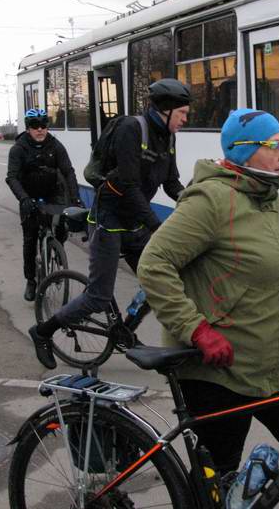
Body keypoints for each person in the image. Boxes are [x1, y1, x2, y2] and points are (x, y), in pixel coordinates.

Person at [136, 108, 279, 509]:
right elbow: (154, 264)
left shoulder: (271, 199)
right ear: (246, 151)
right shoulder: (210, 201)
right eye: (277, 146)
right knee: (218, 483)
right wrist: (198, 330)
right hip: (219, 370)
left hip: (271, 359)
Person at [29, 78, 191, 368]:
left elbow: (171, 181)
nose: (185, 119)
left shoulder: (167, 136)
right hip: (110, 219)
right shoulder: (132, 129)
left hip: (133, 222)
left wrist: (193, 200)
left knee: (162, 280)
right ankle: (42, 332)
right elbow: (128, 186)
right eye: (182, 113)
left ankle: (124, 331)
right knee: (98, 297)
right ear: (165, 111)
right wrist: (157, 225)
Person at [6, 108, 81, 302]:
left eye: (43, 125)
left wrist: (75, 199)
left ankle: (55, 251)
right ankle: (31, 281)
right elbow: (12, 177)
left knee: (61, 228)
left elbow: (69, 171)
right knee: (30, 240)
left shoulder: (55, 146)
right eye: (34, 126)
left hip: (52, 194)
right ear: (28, 127)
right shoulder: (18, 148)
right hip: (28, 195)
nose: (40, 129)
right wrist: (23, 198)